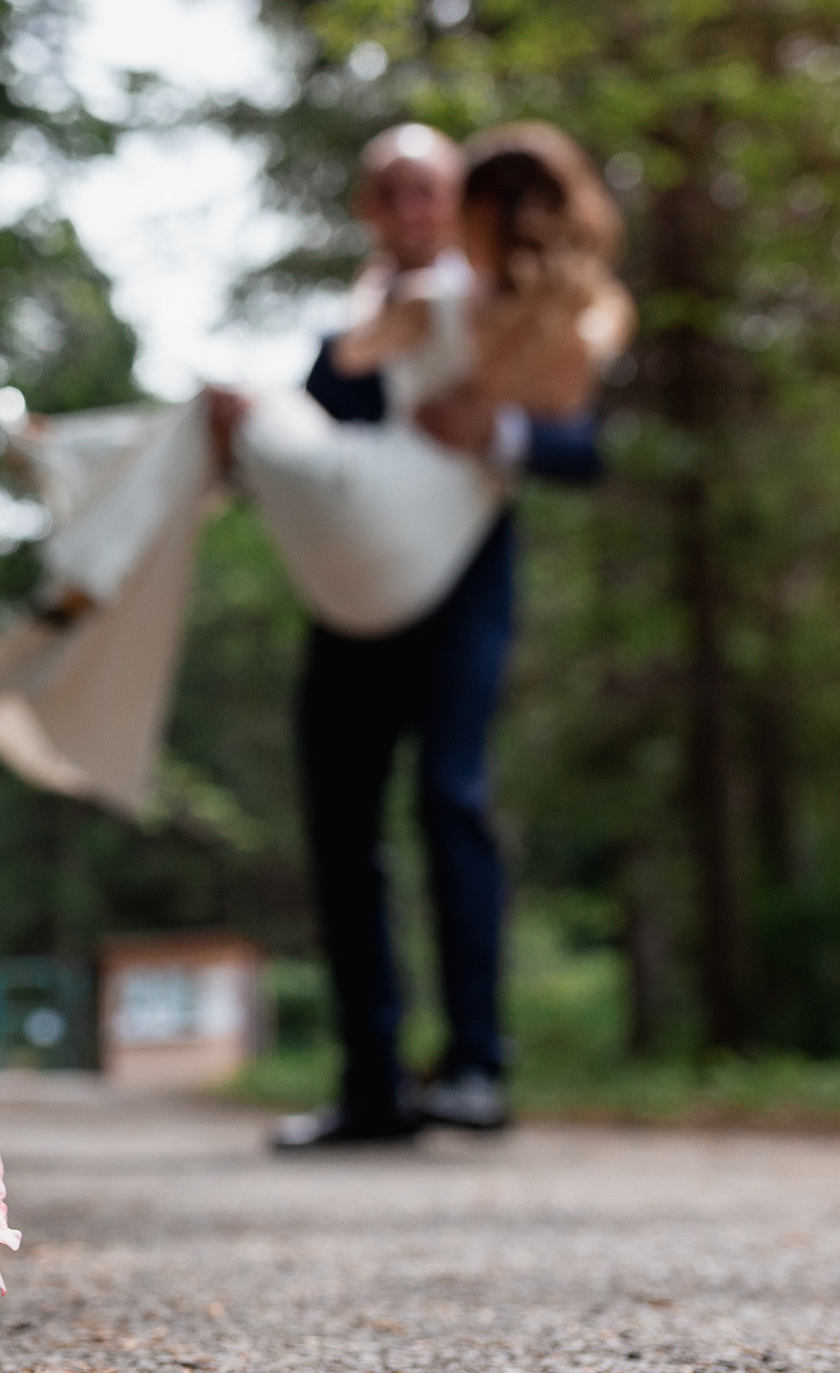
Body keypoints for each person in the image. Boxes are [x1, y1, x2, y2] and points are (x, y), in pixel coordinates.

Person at [206, 122, 620, 1149]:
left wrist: (500, 430)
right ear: (368, 210)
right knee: (340, 825)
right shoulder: (352, 329)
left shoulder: (513, 313)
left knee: (451, 797)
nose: (413, 209)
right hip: (351, 602)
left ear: (459, 202)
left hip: (465, 589)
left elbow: (584, 446)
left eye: (430, 189)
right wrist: (238, 444)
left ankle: (476, 1067)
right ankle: (372, 1085)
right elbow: (311, 452)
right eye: (391, 192)